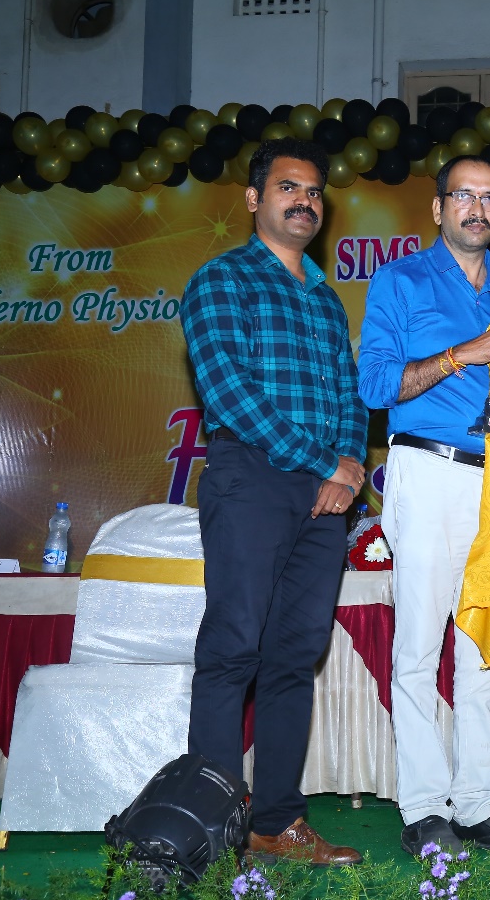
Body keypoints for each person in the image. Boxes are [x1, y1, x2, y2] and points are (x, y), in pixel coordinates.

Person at [180, 138, 367, 865]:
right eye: (289, 187)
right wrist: (325, 462)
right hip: (251, 478)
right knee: (233, 649)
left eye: (315, 191)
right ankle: (213, 826)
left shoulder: (325, 298)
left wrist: (346, 471)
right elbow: (228, 391)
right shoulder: (221, 279)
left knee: (294, 655)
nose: (304, 201)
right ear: (255, 198)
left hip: (324, 496)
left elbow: (349, 396)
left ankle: (275, 823)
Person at [357, 154, 490, 856]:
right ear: (438, 209)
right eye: (463, 195)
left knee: (485, 649)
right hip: (429, 469)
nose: (477, 208)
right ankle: (424, 808)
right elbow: (376, 387)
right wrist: (465, 353)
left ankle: (476, 805)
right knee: (417, 648)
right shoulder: (400, 280)